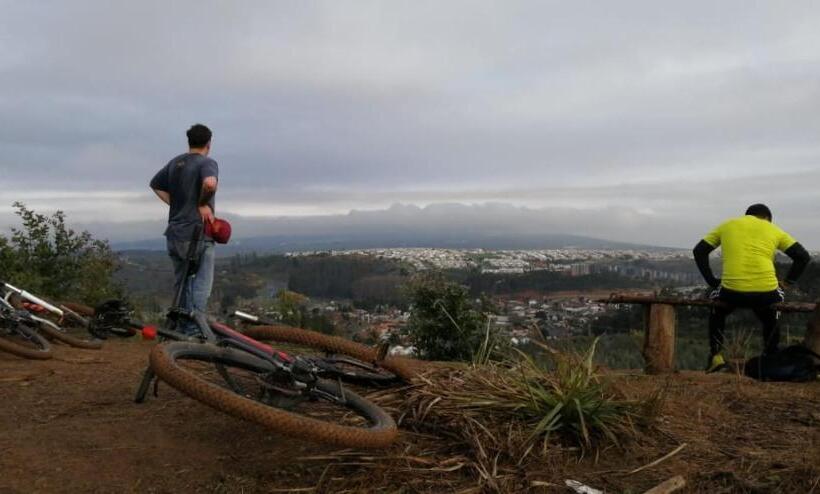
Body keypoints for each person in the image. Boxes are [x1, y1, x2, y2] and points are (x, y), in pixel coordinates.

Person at [693, 204, 811, 372]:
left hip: (731, 292)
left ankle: (716, 356)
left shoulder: (728, 225)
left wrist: (712, 280)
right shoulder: (773, 229)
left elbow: (699, 251)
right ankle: (769, 356)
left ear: (747, 216)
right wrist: (787, 283)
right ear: (767, 219)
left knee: (716, 307)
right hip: (766, 293)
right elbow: (802, 257)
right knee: (772, 314)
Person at [149, 123, 219, 334]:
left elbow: (155, 184)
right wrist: (201, 203)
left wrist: (175, 203)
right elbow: (209, 184)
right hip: (197, 233)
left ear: (189, 141)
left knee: (182, 283)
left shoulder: (175, 163)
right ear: (209, 143)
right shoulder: (207, 163)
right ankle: (194, 330)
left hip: (174, 233)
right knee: (201, 284)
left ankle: (179, 328)